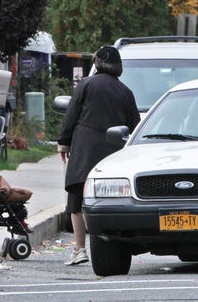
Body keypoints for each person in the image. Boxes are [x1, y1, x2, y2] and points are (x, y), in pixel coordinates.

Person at [57, 46, 140, 265]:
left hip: (85, 150)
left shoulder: (85, 84)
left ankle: (79, 249)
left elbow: (71, 115)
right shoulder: (126, 92)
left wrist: (63, 143)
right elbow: (135, 126)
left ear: (97, 63)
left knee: (76, 198)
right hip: (114, 154)